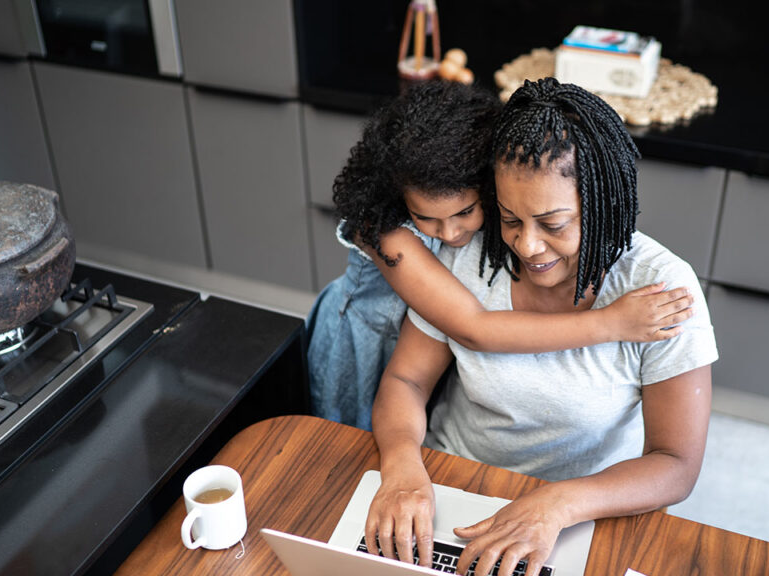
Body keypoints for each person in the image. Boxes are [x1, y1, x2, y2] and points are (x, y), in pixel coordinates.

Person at [365, 78, 719, 576]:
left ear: (601, 206)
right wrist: (402, 462)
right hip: (447, 485)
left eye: (553, 224)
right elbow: (407, 380)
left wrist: (556, 505)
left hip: (579, 512)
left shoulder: (661, 289)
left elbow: (675, 464)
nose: (527, 246)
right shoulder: (468, 248)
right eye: (510, 219)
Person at [306, 80, 695, 431]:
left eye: (465, 212)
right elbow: (473, 328)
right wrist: (610, 324)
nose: (452, 233)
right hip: (364, 342)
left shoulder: (498, 216)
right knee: (344, 446)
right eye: (427, 218)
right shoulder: (388, 235)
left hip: (431, 348)